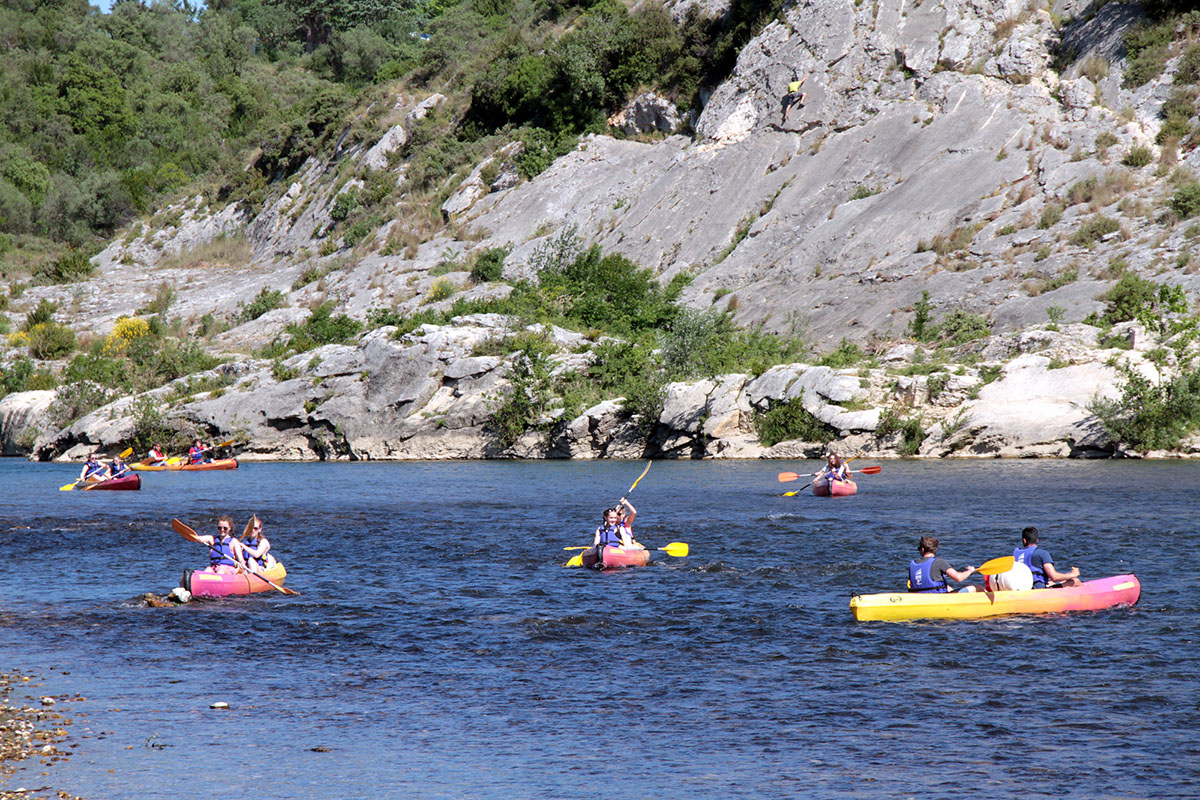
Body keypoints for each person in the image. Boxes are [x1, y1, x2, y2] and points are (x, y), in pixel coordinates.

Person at [1014, 527, 1081, 589]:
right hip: (1038, 590)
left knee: (1051, 582)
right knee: (1075, 581)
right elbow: (1054, 577)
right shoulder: (1042, 553)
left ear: (1024, 540)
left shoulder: (1016, 554)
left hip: (1021, 588)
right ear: (1037, 540)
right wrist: (1073, 574)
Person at [908, 535, 978, 593]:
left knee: (948, 587)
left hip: (919, 597)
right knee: (977, 588)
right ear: (935, 549)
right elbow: (958, 578)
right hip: (937, 598)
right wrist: (970, 571)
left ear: (922, 549)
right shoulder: (939, 562)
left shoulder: (913, 564)